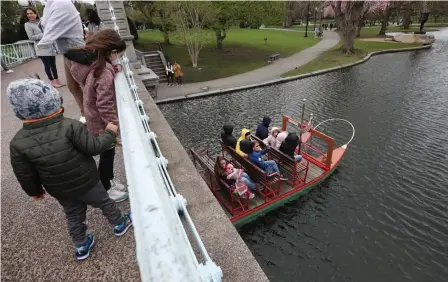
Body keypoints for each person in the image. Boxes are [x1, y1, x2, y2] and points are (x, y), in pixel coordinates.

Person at [7, 78, 132, 261]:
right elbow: (94, 147)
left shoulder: (18, 142)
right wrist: (110, 132)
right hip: (87, 181)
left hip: (60, 190)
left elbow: (24, 173)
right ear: (53, 100)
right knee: (105, 202)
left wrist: (35, 191)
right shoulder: (70, 126)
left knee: (73, 215)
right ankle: (120, 224)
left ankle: (81, 245)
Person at [64, 29, 128, 202]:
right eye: (118, 55)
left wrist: (111, 68)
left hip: (92, 116)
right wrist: (114, 128)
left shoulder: (92, 64)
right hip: (102, 123)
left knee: (106, 153)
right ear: (111, 52)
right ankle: (106, 187)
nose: (118, 58)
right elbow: (105, 103)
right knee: (108, 154)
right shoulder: (103, 72)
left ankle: (107, 180)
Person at [38, 0, 86, 123]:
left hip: (76, 50)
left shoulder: (61, 3)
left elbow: (50, 29)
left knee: (86, 86)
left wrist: (40, 46)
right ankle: (85, 113)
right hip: (66, 52)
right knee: (72, 86)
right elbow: (44, 25)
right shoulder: (50, 5)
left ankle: (96, 118)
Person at [24, 8, 63, 88]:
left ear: (35, 14)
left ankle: (57, 79)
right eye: (28, 14)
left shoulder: (42, 21)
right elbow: (31, 37)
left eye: (31, 13)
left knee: (53, 65)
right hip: (41, 48)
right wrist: (44, 34)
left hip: (50, 46)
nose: (29, 15)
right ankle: (52, 81)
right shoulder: (27, 24)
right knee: (47, 65)